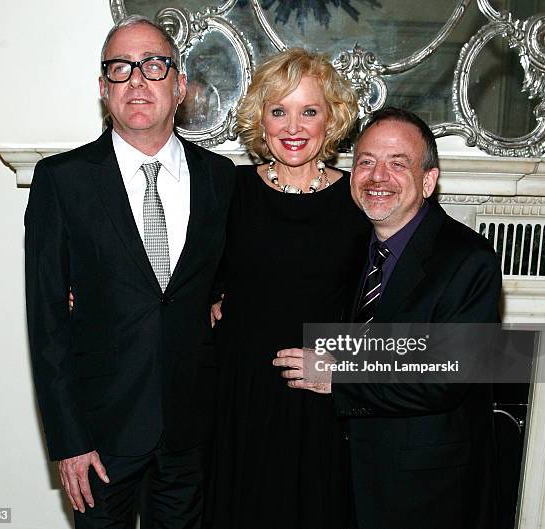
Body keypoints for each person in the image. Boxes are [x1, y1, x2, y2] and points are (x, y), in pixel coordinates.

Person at [24, 15, 235, 529]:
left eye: (154, 65)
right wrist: (69, 440)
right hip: (100, 439)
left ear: (180, 86)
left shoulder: (222, 179)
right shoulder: (62, 181)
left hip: (193, 436)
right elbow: (46, 321)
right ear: (103, 88)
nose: (137, 80)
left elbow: (233, 277)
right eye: (120, 68)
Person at [275, 107, 501, 529]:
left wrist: (338, 374)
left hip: (424, 492)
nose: (378, 177)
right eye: (366, 162)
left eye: (398, 164)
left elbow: (447, 376)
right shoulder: (351, 245)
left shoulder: (467, 260)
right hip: (346, 476)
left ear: (428, 181)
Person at [207, 48, 371, 529]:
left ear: (332, 118)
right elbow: (186, 268)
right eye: (279, 110)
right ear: (261, 118)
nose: (293, 126)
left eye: (309, 111)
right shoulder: (229, 189)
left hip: (318, 395)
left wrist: (349, 371)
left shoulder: (359, 198)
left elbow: (380, 298)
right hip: (239, 395)